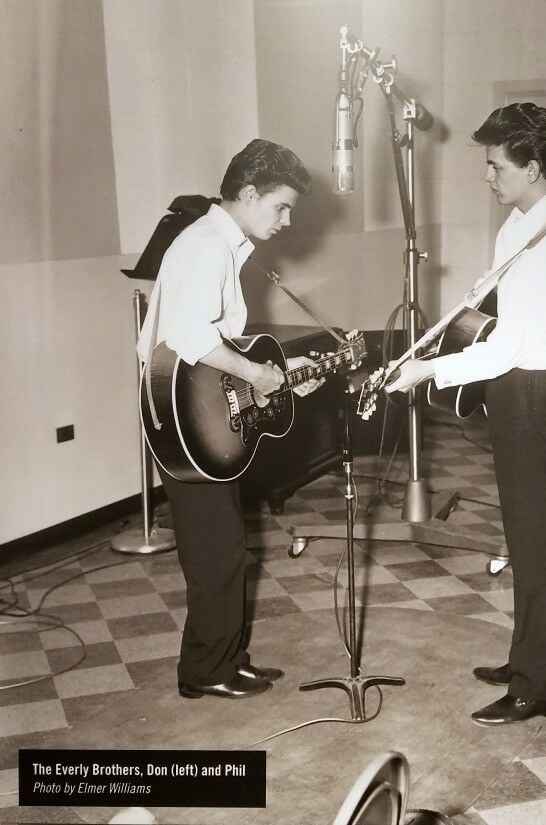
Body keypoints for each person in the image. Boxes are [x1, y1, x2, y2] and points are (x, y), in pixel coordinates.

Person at [385, 103, 546, 724]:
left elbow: (511, 345)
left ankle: (540, 687)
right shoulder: (522, 224)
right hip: (514, 390)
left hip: (536, 394)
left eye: (496, 164)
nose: (488, 175)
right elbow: (493, 311)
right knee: (523, 537)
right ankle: (527, 655)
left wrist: (430, 370)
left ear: (533, 168)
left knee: (540, 545)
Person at [137, 139, 322, 699]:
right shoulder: (207, 247)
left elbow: (222, 346)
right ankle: (204, 672)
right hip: (182, 419)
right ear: (247, 194)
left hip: (201, 413)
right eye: (281, 207)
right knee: (215, 549)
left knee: (225, 545)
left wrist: (281, 373)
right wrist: (261, 376)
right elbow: (189, 337)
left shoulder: (223, 244)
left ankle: (226, 659)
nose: (287, 221)